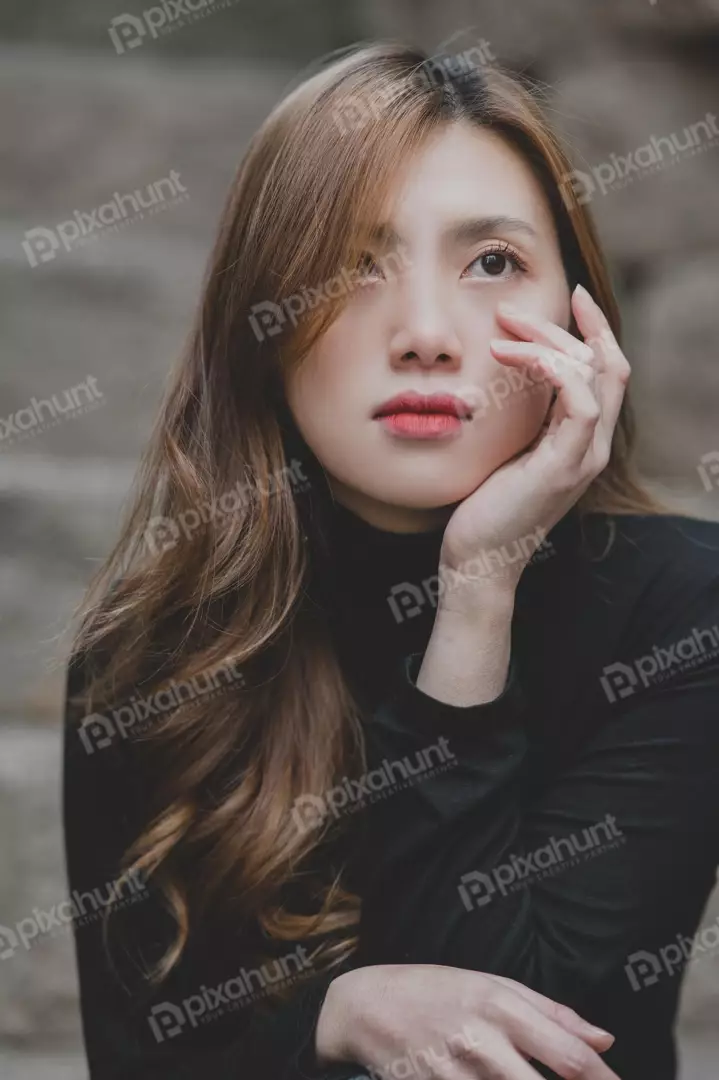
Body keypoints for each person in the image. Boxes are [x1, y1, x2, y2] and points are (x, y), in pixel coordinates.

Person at [62, 41, 719, 1080]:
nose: (423, 333)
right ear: (259, 325)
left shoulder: (681, 610)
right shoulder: (156, 657)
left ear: (577, 325)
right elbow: (138, 1060)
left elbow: (541, 1052)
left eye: (491, 262)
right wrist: (342, 1014)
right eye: (350, 262)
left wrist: (474, 596)